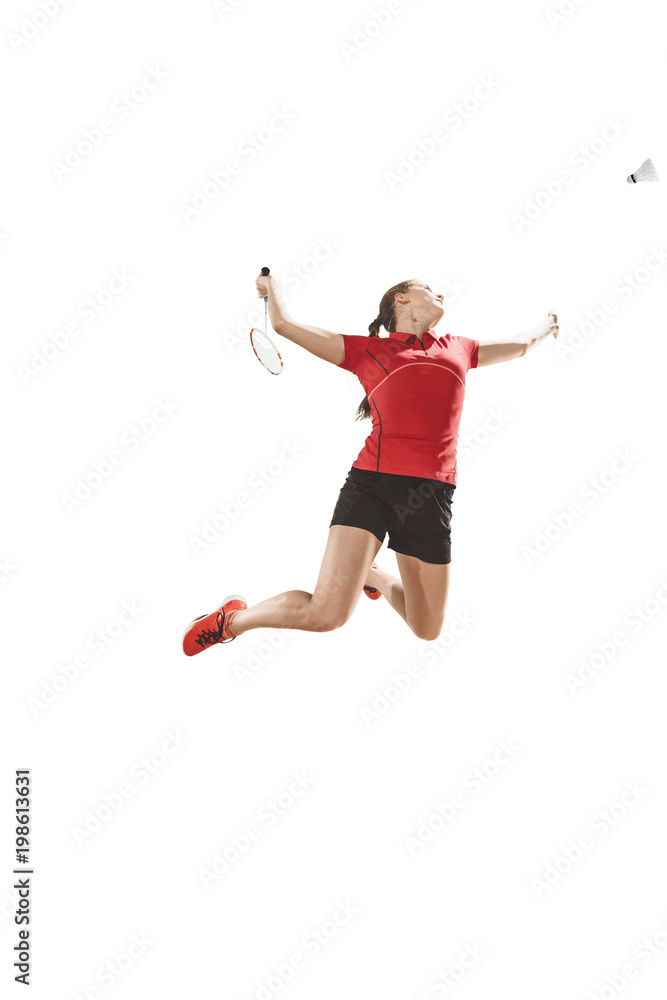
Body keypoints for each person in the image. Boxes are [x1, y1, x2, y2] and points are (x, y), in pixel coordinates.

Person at [182, 274, 558, 656]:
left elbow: (522, 346)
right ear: (402, 299)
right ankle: (231, 621)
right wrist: (271, 288)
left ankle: (370, 572)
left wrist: (547, 325)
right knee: (326, 616)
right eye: (429, 288)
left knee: (426, 628)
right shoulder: (367, 351)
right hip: (373, 485)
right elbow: (283, 326)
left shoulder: (460, 347)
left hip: (432, 493)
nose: (441, 293)